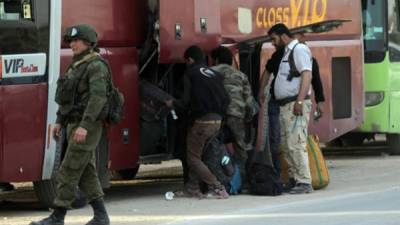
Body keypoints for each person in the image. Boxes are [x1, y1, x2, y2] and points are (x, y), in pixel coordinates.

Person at [30, 24, 110, 225]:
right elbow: (67, 98)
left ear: (88, 43)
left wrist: (84, 126)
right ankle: (101, 216)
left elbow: (97, 98)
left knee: (68, 170)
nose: (72, 44)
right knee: (85, 172)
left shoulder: (96, 66)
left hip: (87, 126)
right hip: (74, 124)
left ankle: (58, 217)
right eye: (71, 41)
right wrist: (59, 121)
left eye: (76, 40)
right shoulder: (76, 65)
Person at [167, 45, 230, 199]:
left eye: (186, 61)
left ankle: (218, 187)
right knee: (199, 155)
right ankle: (193, 188)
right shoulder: (215, 74)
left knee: (193, 158)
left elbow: (186, 101)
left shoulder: (191, 73)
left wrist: (173, 104)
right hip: (217, 121)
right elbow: (227, 99)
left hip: (202, 122)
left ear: (190, 59)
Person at [259, 32, 325, 176]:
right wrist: (261, 91)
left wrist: (313, 101)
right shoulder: (281, 55)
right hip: (280, 103)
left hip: (292, 103)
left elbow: (313, 79)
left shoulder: (302, 54)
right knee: (284, 142)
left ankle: (301, 179)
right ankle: (291, 177)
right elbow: (268, 71)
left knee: (293, 143)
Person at [266, 23, 314, 194]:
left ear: (282, 35)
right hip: (285, 105)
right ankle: (295, 179)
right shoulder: (287, 52)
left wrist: (300, 101)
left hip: (295, 104)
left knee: (295, 143)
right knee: (287, 144)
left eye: (273, 39)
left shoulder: (299, 50)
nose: (272, 43)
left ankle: (304, 181)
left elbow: (307, 74)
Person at [210, 46, 255, 188]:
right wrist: (247, 118)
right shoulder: (241, 75)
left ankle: (217, 180)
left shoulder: (211, 72)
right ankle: (242, 180)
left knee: (213, 146)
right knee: (241, 147)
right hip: (237, 114)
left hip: (217, 115)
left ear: (216, 59)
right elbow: (249, 101)